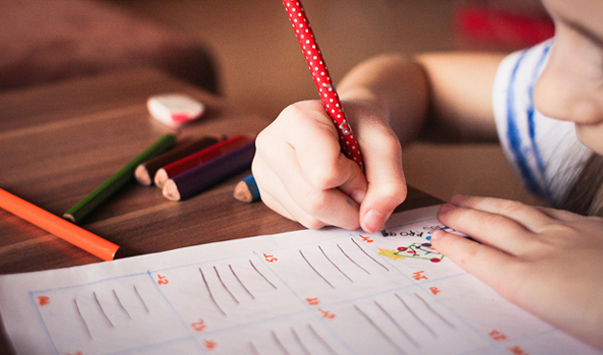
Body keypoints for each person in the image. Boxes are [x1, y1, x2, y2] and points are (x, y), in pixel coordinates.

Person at [251, 0, 603, 349]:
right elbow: (423, 81)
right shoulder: (568, 101)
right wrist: (364, 107)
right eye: (560, 32)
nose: (545, 96)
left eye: (600, 51)